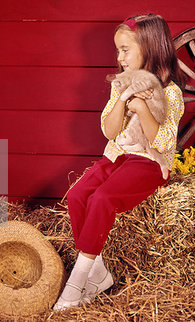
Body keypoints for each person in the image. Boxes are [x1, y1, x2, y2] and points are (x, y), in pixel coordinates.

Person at [54, 14, 186, 310]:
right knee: (77, 195)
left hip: (149, 163)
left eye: (125, 50)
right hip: (115, 156)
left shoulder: (171, 93)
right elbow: (109, 131)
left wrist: (141, 107)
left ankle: (77, 282)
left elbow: (163, 142)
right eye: (118, 50)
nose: (119, 57)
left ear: (150, 47)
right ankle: (99, 274)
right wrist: (125, 98)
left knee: (102, 198)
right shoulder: (120, 85)